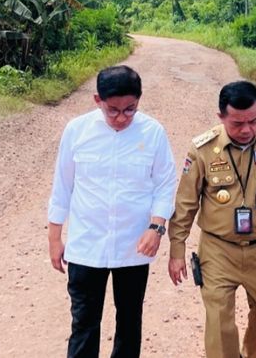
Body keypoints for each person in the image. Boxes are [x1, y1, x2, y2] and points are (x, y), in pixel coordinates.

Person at [47, 65, 178, 358]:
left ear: (139, 101)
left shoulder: (153, 132)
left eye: (130, 110)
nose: (121, 118)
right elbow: (62, 187)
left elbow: (166, 183)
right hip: (86, 246)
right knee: (84, 323)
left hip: (134, 247)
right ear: (97, 101)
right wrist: (54, 238)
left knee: (130, 322)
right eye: (113, 110)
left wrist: (156, 228)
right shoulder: (77, 131)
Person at [168, 80, 256, 358]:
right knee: (219, 321)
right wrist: (177, 250)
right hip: (218, 250)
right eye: (237, 123)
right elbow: (185, 204)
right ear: (221, 117)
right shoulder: (202, 150)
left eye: (253, 120)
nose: (247, 129)